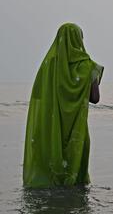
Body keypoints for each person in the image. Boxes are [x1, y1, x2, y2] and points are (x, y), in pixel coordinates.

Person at [23, 23, 103, 188]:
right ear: (78, 41)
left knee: (51, 158)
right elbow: (95, 98)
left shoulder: (48, 65)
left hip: (51, 127)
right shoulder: (87, 66)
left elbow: (37, 96)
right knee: (76, 177)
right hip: (76, 129)